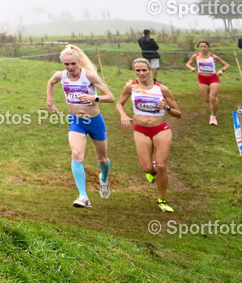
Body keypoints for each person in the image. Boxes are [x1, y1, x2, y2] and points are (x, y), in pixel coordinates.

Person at [45, 45, 116, 208]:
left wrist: (94, 98)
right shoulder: (61, 76)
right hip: (76, 120)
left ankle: (104, 179)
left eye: (73, 64)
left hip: (95, 121)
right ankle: (83, 196)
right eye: (66, 64)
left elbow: (110, 97)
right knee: (76, 154)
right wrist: (50, 102)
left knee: (102, 159)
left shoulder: (89, 76)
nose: (70, 68)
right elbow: (50, 82)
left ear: (79, 62)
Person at [116, 58, 182, 213]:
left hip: (161, 129)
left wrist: (165, 107)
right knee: (147, 168)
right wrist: (123, 115)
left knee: (161, 165)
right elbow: (119, 103)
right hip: (141, 130)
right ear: (134, 71)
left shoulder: (162, 89)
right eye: (138, 70)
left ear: (150, 70)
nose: (141, 73)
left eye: (144, 70)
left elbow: (178, 114)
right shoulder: (130, 87)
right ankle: (152, 172)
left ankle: (162, 200)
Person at [186, 41, 230, 125]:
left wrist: (221, 70)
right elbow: (188, 64)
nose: (203, 48)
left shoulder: (214, 57)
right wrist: (191, 68)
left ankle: (213, 116)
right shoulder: (196, 56)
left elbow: (226, 65)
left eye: (205, 46)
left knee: (212, 98)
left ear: (208, 47)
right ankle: (213, 99)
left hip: (213, 78)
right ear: (199, 47)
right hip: (202, 78)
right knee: (207, 100)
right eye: (201, 46)